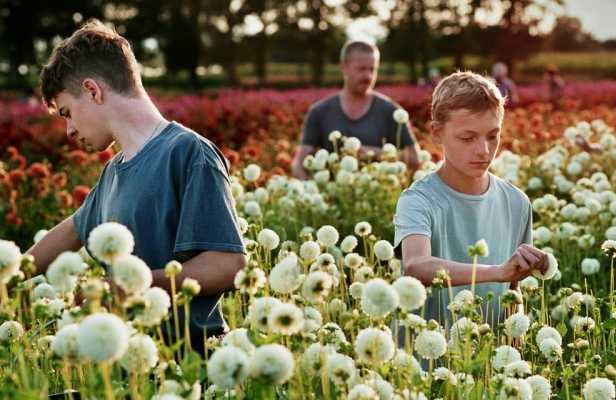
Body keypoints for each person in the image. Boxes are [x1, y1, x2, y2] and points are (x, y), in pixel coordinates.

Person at [27, 20, 246, 349]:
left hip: (190, 361)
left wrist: (133, 286)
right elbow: (71, 231)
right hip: (129, 362)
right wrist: (8, 275)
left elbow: (228, 265)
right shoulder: (113, 172)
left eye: (67, 112)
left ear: (92, 90)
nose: (69, 130)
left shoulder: (188, 152)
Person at [393, 72, 548, 329]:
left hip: (488, 362)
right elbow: (416, 265)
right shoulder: (418, 200)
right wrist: (497, 272)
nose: (483, 151)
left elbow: (512, 288)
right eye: (467, 138)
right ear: (437, 133)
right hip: (426, 360)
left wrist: (515, 341)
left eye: (492, 136)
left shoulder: (516, 202)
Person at [291, 40, 420, 179]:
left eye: (372, 69)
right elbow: (299, 163)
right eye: (361, 69)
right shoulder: (319, 111)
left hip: (378, 195)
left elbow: (415, 159)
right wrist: (310, 189)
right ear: (344, 67)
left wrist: (374, 153)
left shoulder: (391, 111)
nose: (368, 76)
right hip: (333, 195)